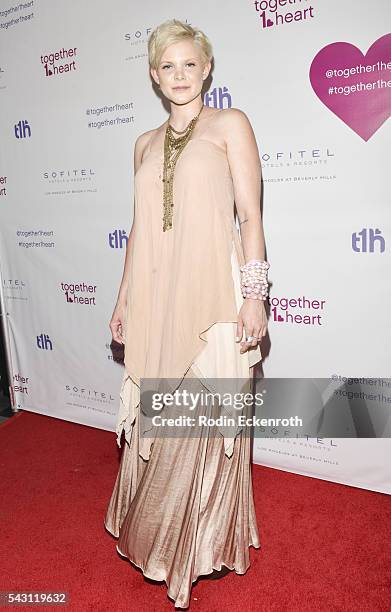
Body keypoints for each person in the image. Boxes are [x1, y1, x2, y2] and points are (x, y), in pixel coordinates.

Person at [104, 18, 270, 609]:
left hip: (213, 298)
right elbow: (138, 229)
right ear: (154, 75)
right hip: (155, 295)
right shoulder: (143, 145)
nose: (179, 75)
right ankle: (154, 537)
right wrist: (124, 298)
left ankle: (198, 548)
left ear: (207, 69)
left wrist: (256, 294)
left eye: (189, 64)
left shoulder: (231, 125)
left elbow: (250, 217)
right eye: (167, 66)